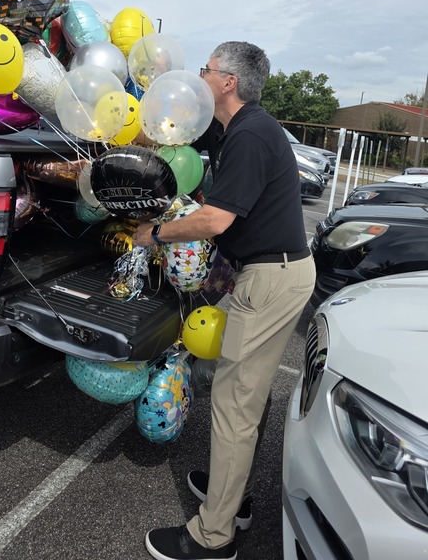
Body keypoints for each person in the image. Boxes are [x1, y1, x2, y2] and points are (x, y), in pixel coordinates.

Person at [132, 41, 316, 560]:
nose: (199, 75)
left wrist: (156, 233)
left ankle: (212, 538)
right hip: (277, 272)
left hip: (270, 278)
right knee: (247, 396)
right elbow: (173, 126)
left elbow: (215, 220)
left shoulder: (252, 135)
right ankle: (230, 499)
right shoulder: (236, 125)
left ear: (228, 81)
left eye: (206, 69)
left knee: (235, 404)